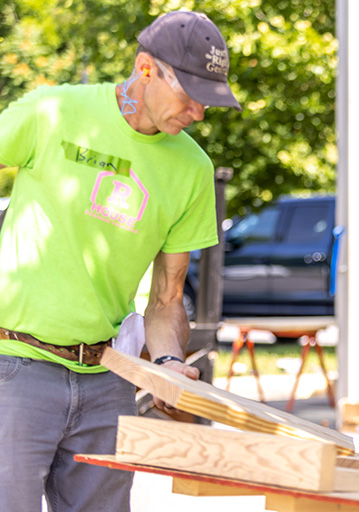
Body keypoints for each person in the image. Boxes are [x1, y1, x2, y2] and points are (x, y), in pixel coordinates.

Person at [0, 11, 241, 511]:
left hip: (107, 378)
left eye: (208, 100)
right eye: (190, 95)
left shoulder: (192, 169)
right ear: (145, 68)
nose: (198, 113)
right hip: (14, 370)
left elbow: (167, 299)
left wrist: (170, 362)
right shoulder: (52, 111)